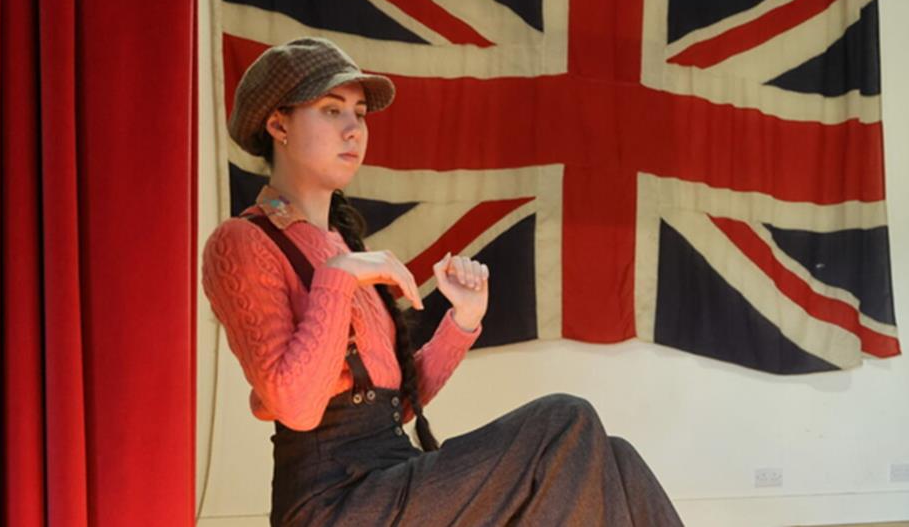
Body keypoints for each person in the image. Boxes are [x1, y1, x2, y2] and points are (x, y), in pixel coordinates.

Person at [202, 37, 684, 527]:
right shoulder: (243, 242)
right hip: (333, 503)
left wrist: (462, 322)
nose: (353, 129)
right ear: (278, 124)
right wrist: (336, 278)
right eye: (331, 110)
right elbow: (298, 408)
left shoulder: (342, 247)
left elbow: (396, 404)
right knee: (565, 419)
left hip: (394, 478)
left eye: (360, 113)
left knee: (616, 460)